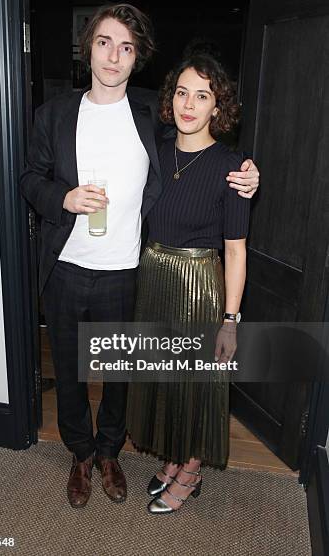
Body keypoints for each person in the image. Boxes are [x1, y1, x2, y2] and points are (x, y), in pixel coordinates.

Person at [20, 3, 258, 510]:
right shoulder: (54, 113)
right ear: (89, 48)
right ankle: (80, 455)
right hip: (64, 268)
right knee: (69, 370)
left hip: (130, 272)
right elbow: (29, 178)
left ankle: (110, 453)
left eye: (126, 47)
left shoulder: (155, 112)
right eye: (104, 42)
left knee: (121, 376)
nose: (113, 56)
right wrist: (61, 198)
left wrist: (246, 173)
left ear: (137, 59)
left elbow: (202, 147)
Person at [126, 52, 250, 514]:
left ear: (217, 107)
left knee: (197, 382)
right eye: (181, 92)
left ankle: (192, 467)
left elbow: (236, 250)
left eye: (202, 95)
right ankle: (176, 456)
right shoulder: (155, 150)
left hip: (199, 283)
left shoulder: (234, 168)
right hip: (154, 274)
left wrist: (231, 320)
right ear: (169, 98)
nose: (189, 104)